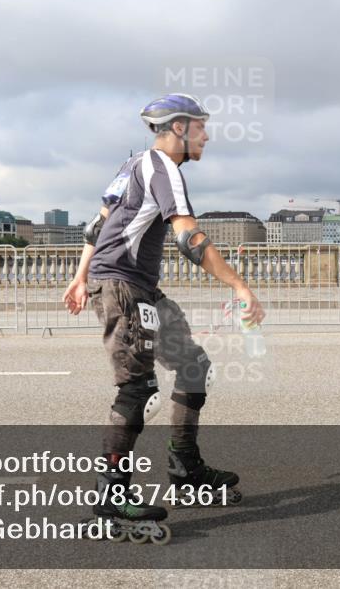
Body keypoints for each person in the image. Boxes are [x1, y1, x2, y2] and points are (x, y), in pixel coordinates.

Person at [63, 93, 265, 543]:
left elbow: (96, 227)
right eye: (200, 127)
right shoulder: (163, 168)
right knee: (138, 392)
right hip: (123, 286)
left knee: (193, 366)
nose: (207, 135)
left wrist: (80, 278)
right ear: (178, 128)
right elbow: (188, 237)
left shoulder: (130, 165)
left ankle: (184, 468)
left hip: (138, 287)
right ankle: (109, 500)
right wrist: (240, 287)